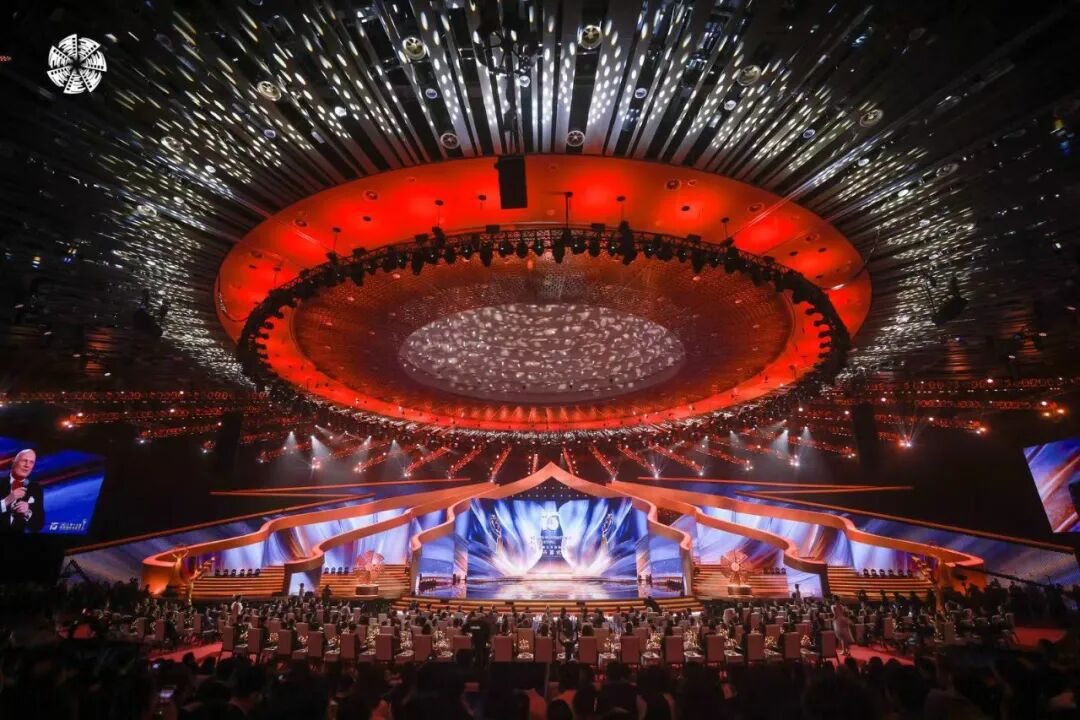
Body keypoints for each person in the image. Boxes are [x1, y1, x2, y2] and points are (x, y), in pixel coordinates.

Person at [0, 448, 44, 532]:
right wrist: (7, 501)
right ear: (13, 461)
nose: (27, 465)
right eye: (24, 460)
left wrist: (27, 512)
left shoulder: (35, 488)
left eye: (31, 462)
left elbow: (38, 525)